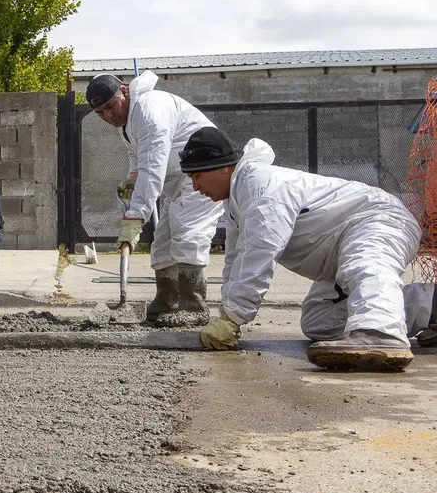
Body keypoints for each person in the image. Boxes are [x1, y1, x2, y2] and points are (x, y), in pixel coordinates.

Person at [181, 126, 424, 371]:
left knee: (364, 265)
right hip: (338, 249)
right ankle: (429, 307)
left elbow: (259, 253)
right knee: (320, 323)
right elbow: (236, 261)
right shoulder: (235, 203)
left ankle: (380, 333)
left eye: (196, 176)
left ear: (223, 167)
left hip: (375, 219)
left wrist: (233, 317)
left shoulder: (260, 184)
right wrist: (227, 313)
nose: (195, 187)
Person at [86, 71, 223, 327]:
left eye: (110, 107)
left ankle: (193, 307)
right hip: (181, 181)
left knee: (187, 233)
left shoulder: (148, 112)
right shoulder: (127, 122)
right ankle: (167, 302)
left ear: (124, 92)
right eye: (100, 113)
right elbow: (138, 157)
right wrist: (131, 176)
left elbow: (152, 171)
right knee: (162, 243)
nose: (108, 116)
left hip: (206, 176)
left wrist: (135, 217)